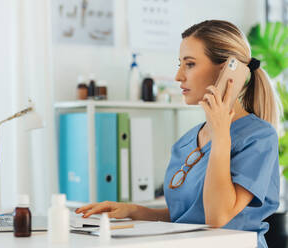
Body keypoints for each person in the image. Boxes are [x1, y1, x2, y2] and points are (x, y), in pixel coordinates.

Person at [75, 20, 281, 248]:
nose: (178, 76)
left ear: (227, 70)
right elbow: (186, 218)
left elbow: (217, 217)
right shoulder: (187, 140)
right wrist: (132, 210)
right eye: (180, 64)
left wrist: (221, 134)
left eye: (190, 64)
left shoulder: (259, 138)